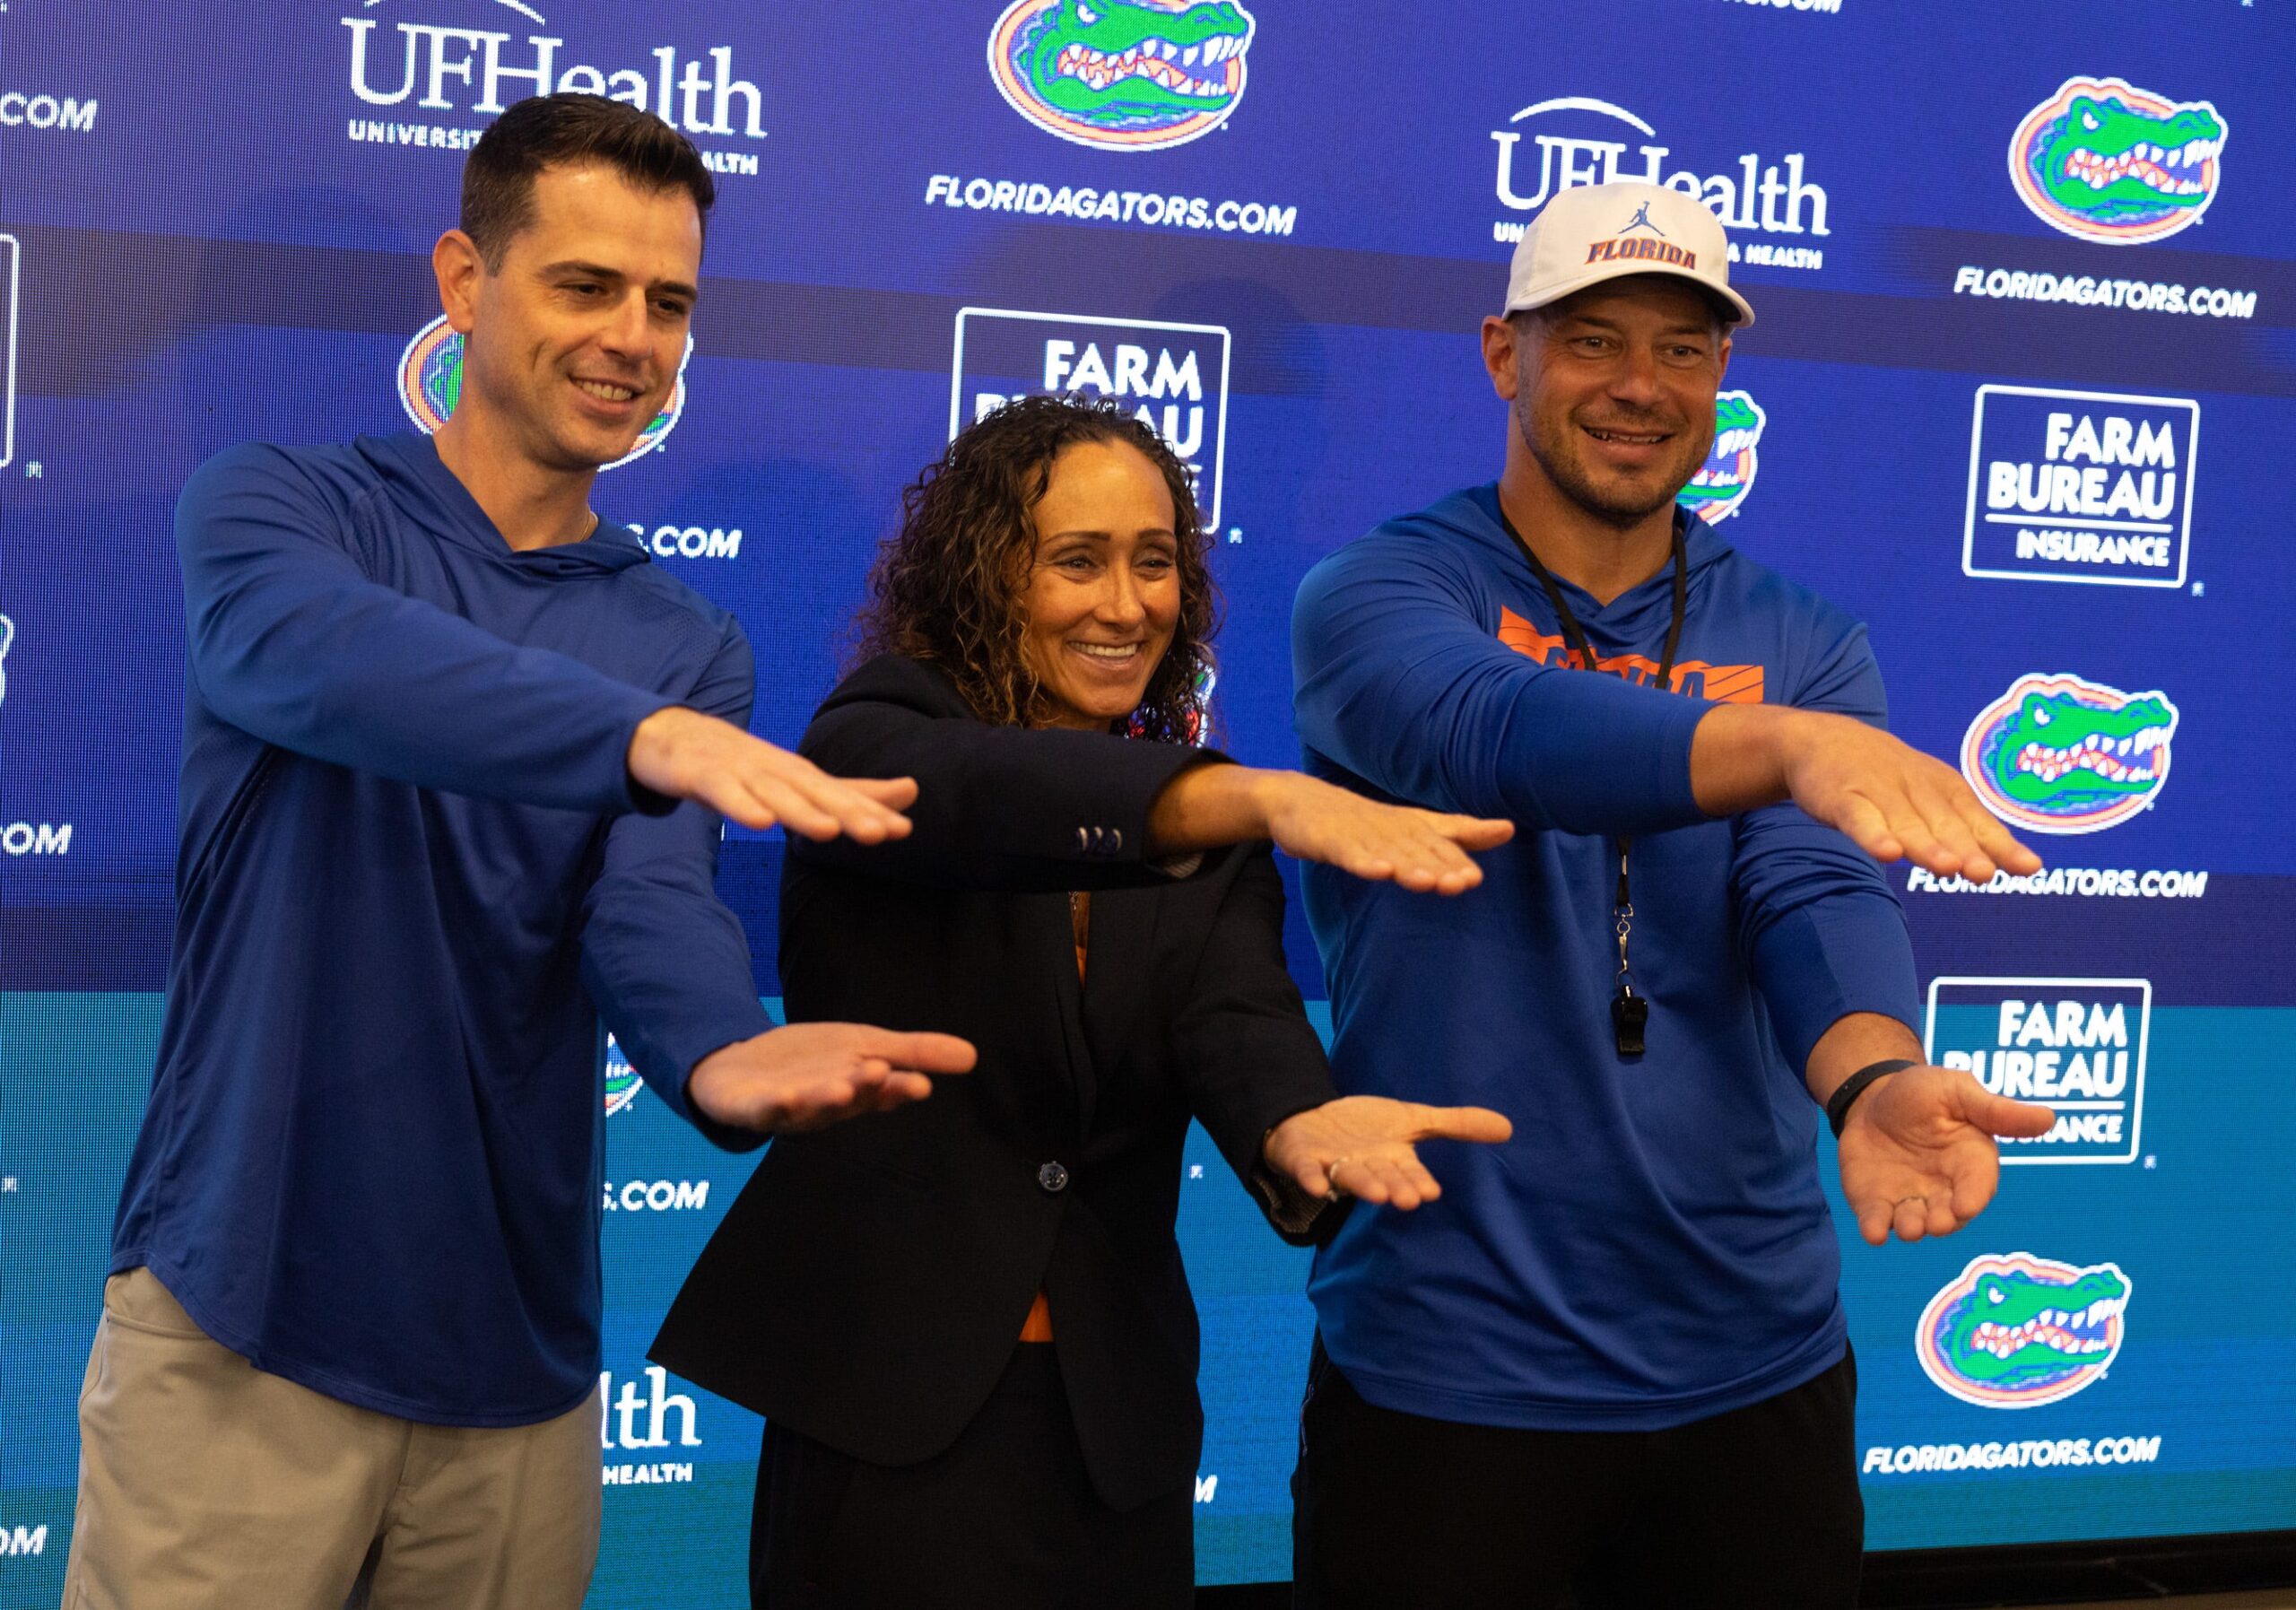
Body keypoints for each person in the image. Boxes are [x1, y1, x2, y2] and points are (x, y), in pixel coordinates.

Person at [61, 95, 976, 1610]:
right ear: (467, 282)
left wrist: (713, 1057)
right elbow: (321, 659)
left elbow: (650, 904)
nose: (633, 336)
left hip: (519, 1368)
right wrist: (636, 742)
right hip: (240, 1311)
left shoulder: (682, 640)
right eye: (585, 285)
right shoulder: (283, 512)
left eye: (668, 303)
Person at [1284, 181, 2058, 1609]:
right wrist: (1783, 745)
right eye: (1593, 340)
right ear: (1504, 355)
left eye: (1684, 349)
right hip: (1453, 1370)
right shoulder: (1378, 595)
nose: (1641, 386)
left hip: (1753, 1364)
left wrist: (1872, 1075)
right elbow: (1497, 731)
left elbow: (1809, 883)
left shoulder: (1802, 638)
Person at [650, 394, 1516, 1608]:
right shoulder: (880, 736)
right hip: (894, 1420)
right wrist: (1243, 797)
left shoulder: (1195, 817)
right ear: (983, 576)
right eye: (1078, 561)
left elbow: (1238, 1020)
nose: (1126, 604)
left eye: (1154, 562)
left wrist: (1293, 1125)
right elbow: (986, 793)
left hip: (1120, 1431)